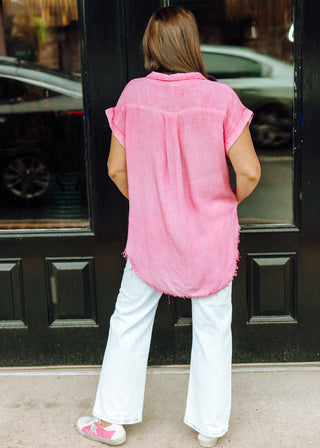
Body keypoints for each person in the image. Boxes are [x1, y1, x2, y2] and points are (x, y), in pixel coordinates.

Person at [76, 6, 261, 447]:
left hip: (150, 236)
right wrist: (226, 203)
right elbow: (250, 172)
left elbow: (115, 170)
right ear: (191, 44)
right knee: (214, 326)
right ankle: (209, 428)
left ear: (151, 45)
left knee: (129, 319)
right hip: (209, 237)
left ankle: (111, 420)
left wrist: (148, 204)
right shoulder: (221, 99)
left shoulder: (133, 95)